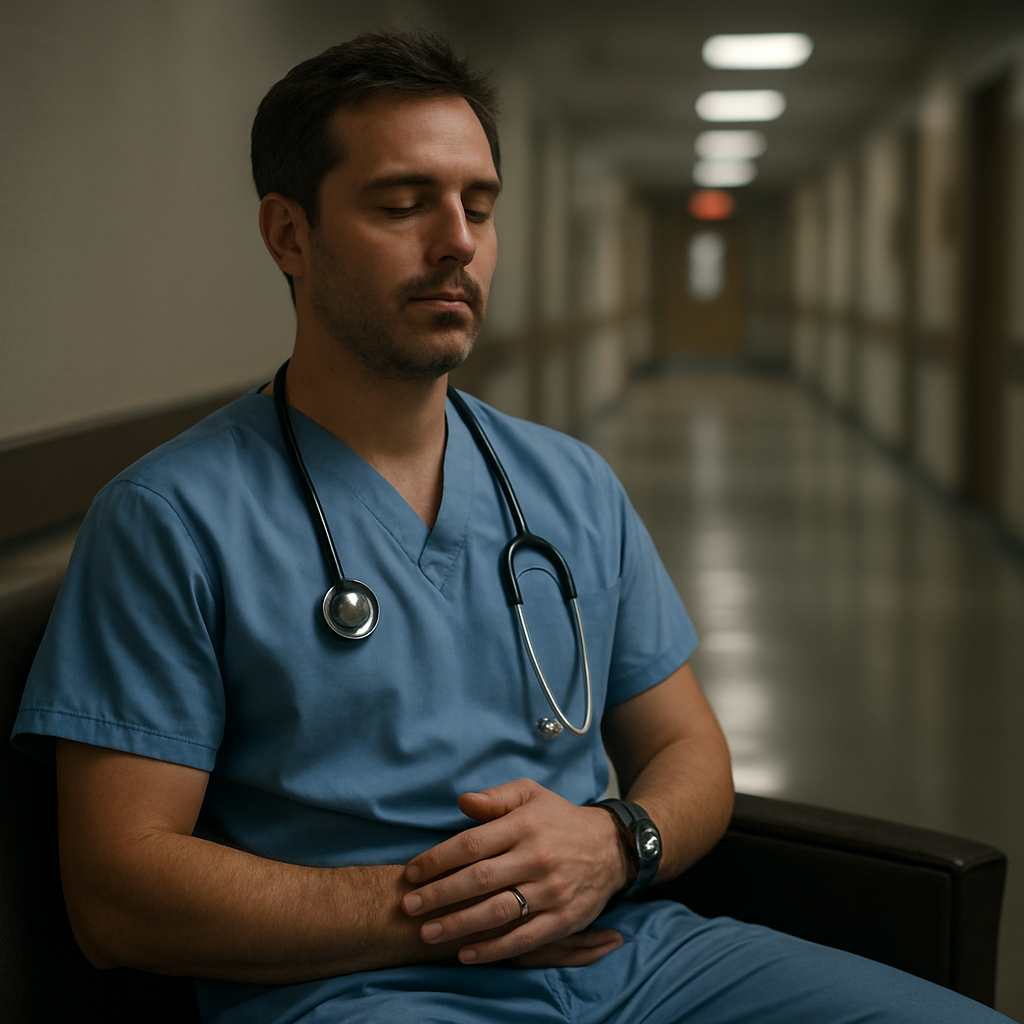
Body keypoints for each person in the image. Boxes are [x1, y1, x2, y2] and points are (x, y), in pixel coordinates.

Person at [12, 29, 1011, 1024]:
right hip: (362, 989)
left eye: (477, 207)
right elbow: (117, 897)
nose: (456, 241)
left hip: (633, 959)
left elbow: (692, 754)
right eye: (402, 204)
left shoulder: (566, 482)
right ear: (288, 235)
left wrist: (618, 843)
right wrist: (458, 907)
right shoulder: (170, 518)